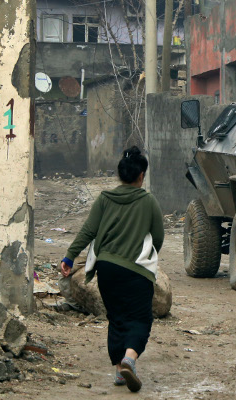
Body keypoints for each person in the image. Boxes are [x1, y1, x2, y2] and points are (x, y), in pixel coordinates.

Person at [60, 146, 164, 393]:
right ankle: (130, 358)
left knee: (116, 318)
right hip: (137, 271)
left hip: (106, 269)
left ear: (121, 175)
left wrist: (70, 256)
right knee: (140, 318)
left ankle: (119, 371)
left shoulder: (105, 199)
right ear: (141, 176)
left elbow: (88, 230)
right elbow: (158, 237)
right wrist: (147, 254)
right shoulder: (148, 201)